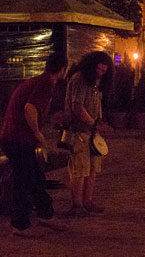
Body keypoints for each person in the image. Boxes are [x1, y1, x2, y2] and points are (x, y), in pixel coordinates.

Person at [1, 53, 69, 236]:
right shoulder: (46, 83)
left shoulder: (40, 81)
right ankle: (20, 225)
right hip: (18, 138)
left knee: (36, 177)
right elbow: (29, 108)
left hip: (16, 137)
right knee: (23, 181)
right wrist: (38, 133)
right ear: (63, 68)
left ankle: (46, 214)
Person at [65, 51, 114, 216]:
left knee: (93, 168)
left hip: (92, 132)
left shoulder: (96, 83)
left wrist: (99, 123)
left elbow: (96, 104)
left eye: (103, 71)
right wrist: (94, 123)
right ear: (91, 66)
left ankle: (88, 201)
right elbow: (77, 107)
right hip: (79, 130)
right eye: (98, 69)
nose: (100, 73)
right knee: (79, 168)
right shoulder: (80, 79)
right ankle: (77, 204)